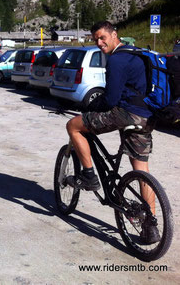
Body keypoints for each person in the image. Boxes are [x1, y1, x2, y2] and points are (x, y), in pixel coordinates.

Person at [65, 21, 158, 243]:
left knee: (73, 126)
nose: (99, 43)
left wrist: (88, 107)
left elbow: (111, 100)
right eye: (95, 39)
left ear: (114, 35)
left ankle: (89, 176)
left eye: (102, 37)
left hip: (125, 114)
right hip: (146, 116)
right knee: (141, 170)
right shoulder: (139, 54)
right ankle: (151, 227)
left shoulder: (116, 60)